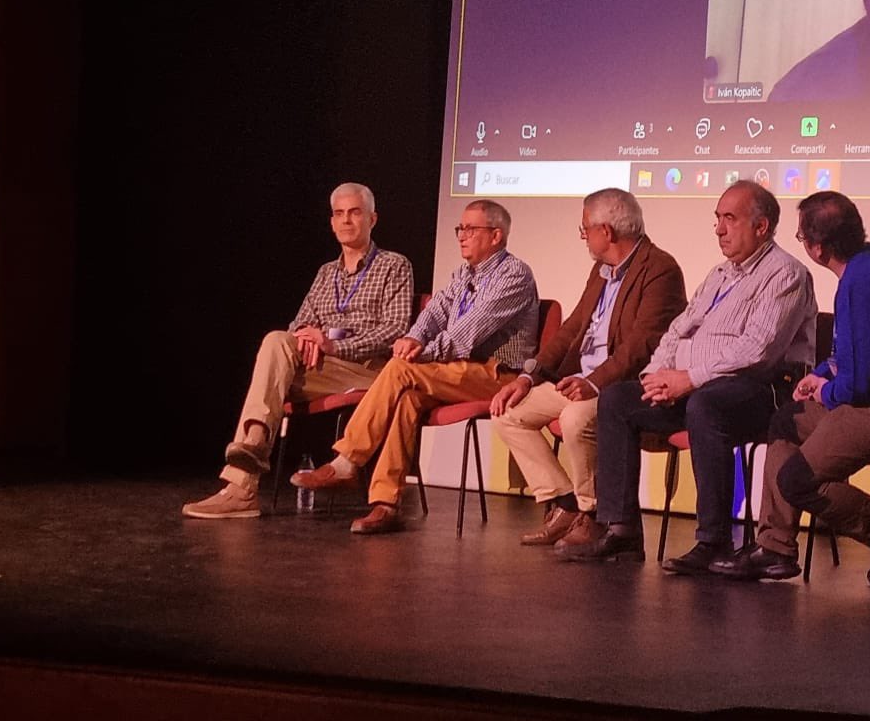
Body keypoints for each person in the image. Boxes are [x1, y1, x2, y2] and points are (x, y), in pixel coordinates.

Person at [561, 180, 815, 571]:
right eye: (717, 219)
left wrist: (690, 378)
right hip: (697, 385)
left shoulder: (786, 274)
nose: (719, 229)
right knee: (618, 400)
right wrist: (656, 376)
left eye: (730, 219)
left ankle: (713, 540)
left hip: (764, 391)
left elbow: (758, 350)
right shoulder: (719, 274)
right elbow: (677, 329)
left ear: (761, 227)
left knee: (706, 405)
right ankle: (622, 530)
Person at [710, 191, 870, 587]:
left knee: (797, 479)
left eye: (802, 237)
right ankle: (775, 548)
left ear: (818, 247)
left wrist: (825, 391)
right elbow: (855, 353)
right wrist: (821, 374)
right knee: (786, 422)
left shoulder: (865, 282)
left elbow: (860, 386)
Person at [290, 199, 538, 534]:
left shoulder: (514, 274)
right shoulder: (464, 273)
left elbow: (469, 330)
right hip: (457, 372)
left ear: (496, 236)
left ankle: (347, 460)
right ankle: (385, 503)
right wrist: (413, 338)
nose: (461, 236)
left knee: (400, 369)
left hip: (498, 376)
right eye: (459, 229)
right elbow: (435, 312)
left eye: (470, 229)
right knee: (406, 397)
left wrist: (419, 353)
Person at [183, 183, 415, 520]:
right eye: (339, 214)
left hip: (369, 370)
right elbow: (300, 324)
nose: (346, 221)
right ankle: (245, 477)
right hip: (324, 368)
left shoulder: (394, 266)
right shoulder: (326, 273)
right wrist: (306, 338)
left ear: (372, 219)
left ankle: (247, 467)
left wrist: (333, 344)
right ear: (332, 222)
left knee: (274, 365)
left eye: (355, 213)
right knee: (278, 339)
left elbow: (393, 331)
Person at [489, 188, 687, 551]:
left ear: (606, 231)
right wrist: (527, 377)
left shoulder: (660, 269)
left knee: (576, 419)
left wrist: (594, 384)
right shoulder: (601, 270)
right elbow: (571, 330)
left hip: (619, 387)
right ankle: (565, 502)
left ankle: (595, 515)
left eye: (585, 229)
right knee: (509, 412)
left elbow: (642, 345)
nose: (583, 237)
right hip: (580, 378)